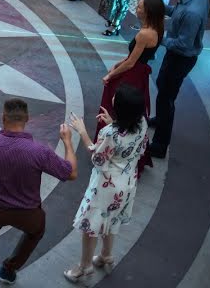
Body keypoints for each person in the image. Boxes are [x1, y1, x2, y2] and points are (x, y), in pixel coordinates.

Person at [0, 98, 78, 288]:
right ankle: (8, 269)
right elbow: (71, 172)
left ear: (3, 118)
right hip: (29, 213)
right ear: (27, 119)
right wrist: (67, 142)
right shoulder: (40, 152)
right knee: (36, 232)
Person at [65, 87, 148, 282]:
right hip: (127, 182)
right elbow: (138, 147)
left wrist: (82, 130)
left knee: (91, 225)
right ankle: (106, 255)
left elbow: (97, 158)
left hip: (106, 186)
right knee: (112, 219)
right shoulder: (142, 122)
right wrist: (114, 125)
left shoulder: (110, 133)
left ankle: (84, 266)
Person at [147, 0, 210, 159]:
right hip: (177, 55)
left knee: (166, 98)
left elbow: (183, 44)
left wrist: (158, 37)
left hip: (181, 58)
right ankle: (159, 119)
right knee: (163, 88)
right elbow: (177, 12)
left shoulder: (194, 12)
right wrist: (160, 6)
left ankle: (159, 145)